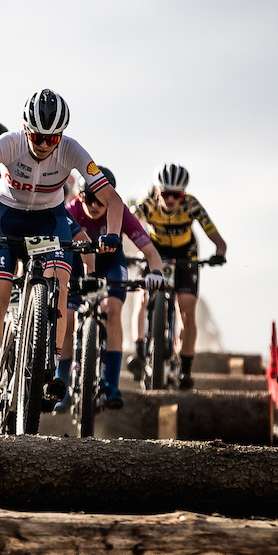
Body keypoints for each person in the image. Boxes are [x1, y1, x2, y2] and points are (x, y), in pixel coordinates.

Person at [0, 90, 122, 420]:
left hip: (50, 220)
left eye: (52, 138)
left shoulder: (72, 150)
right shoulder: (8, 143)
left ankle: (49, 370)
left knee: (61, 289)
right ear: (25, 129)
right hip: (5, 216)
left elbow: (114, 201)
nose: (44, 144)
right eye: (37, 136)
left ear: (61, 136)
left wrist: (112, 235)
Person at [61, 166, 165, 409]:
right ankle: (62, 384)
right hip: (77, 264)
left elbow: (151, 253)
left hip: (110, 265)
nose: (95, 205)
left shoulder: (123, 214)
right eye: (89, 198)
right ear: (79, 196)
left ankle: (112, 386)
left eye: (101, 199)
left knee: (112, 310)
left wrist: (156, 274)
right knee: (66, 318)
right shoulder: (71, 211)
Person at [130, 163, 228, 390]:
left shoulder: (191, 205)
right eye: (166, 194)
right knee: (143, 297)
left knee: (186, 309)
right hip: (155, 251)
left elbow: (218, 239)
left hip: (186, 254)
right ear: (157, 191)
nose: (171, 199)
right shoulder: (148, 205)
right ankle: (138, 350)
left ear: (183, 194)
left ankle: (186, 368)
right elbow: (129, 223)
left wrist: (220, 253)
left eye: (177, 194)